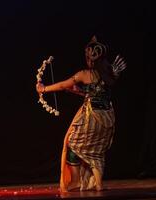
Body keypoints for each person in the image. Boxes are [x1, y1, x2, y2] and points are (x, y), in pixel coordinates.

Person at [36, 36, 126, 192]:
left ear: (91, 59)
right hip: (108, 116)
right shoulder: (110, 73)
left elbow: (64, 84)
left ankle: (77, 181)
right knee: (96, 151)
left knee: (73, 144)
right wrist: (79, 91)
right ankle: (98, 185)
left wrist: (44, 89)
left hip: (93, 117)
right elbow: (96, 92)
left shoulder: (85, 74)